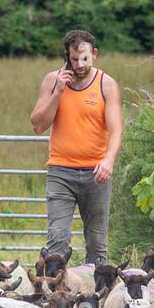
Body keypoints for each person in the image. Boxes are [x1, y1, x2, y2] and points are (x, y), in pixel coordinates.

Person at [28, 29, 122, 266]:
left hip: (96, 174)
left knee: (97, 242)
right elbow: (38, 125)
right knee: (57, 239)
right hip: (61, 171)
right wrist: (58, 92)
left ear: (95, 54)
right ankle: (54, 296)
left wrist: (108, 160)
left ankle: (98, 296)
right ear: (67, 57)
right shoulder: (52, 81)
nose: (80, 65)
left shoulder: (107, 84)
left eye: (85, 59)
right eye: (74, 59)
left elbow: (116, 130)